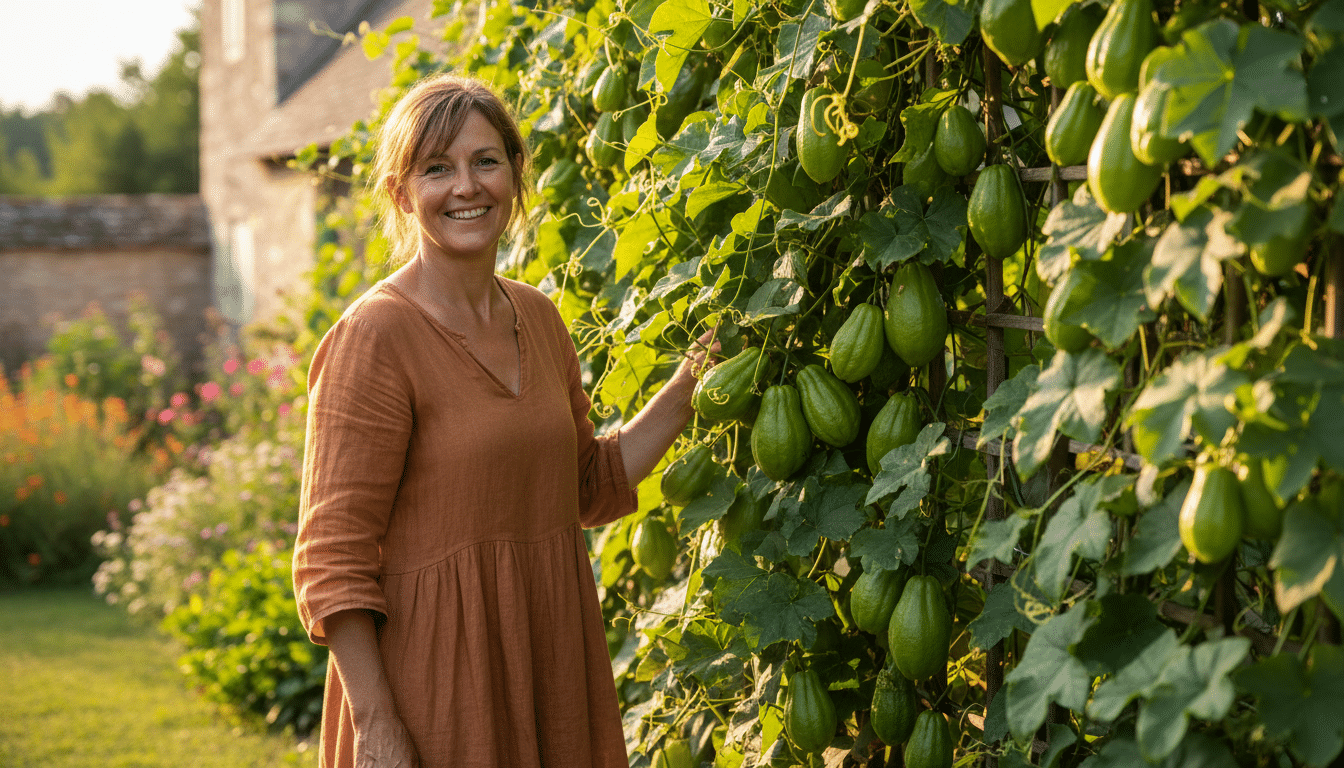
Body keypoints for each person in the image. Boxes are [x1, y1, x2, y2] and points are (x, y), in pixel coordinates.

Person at [292, 73, 714, 768]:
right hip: (434, 687)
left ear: (516, 176)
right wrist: (378, 725)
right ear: (401, 194)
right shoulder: (375, 337)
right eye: (437, 169)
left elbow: (585, 484)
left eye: (485, 161)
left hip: (547, 660)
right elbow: (331, 560)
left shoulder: (539, 318)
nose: (466, 186)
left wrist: (692, 382)